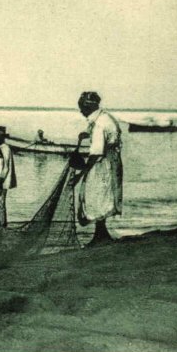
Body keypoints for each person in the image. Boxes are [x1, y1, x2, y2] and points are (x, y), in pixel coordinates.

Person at [75, 91, 123, 246]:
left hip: (103, 165)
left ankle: (100, 236)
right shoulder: (104, 117)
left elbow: (96, 152)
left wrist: (83, 173)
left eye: (82, 108)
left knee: (97, 196)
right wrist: (86, 135)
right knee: (103, 196)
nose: (81, 111)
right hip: (111, 162)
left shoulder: (99, 123)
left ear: (88, 107)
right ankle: (101, 234)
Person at [0, 125, 18, 229]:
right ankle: (0, 223)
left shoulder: (6, 148)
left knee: (1, 201)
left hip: (3, 180)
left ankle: (2, 224)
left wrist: (0, 181)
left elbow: (6, 168)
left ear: (2, 137)